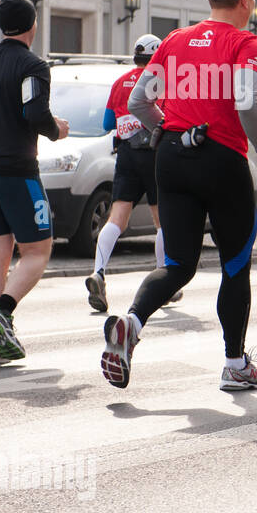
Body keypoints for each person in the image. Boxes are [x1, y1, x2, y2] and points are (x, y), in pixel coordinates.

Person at [101, 0, 257, 390]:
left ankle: (132, 322)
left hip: (171, 157)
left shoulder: (175, 40)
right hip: (222, 160)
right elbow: (246, 101)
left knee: (179, 263)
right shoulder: (246, 43)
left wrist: (169, 127)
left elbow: (140, 104)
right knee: (235, 266)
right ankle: (236, 365)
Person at [0, 0, 68, 363]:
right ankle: (2, 313)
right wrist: (57, 131)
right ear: (33, 25)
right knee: (38, 249)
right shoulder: (33, 65)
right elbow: (35, 112)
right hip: (17, 169)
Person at [85, 33, 175, 314]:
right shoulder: (159, 81)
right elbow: (170, 118)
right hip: (155, 154)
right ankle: (165, 279)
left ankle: (98, 271)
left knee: (116, 217)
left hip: (125, 155)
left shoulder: (119, 82)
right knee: (162, 220)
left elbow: (107, 122)